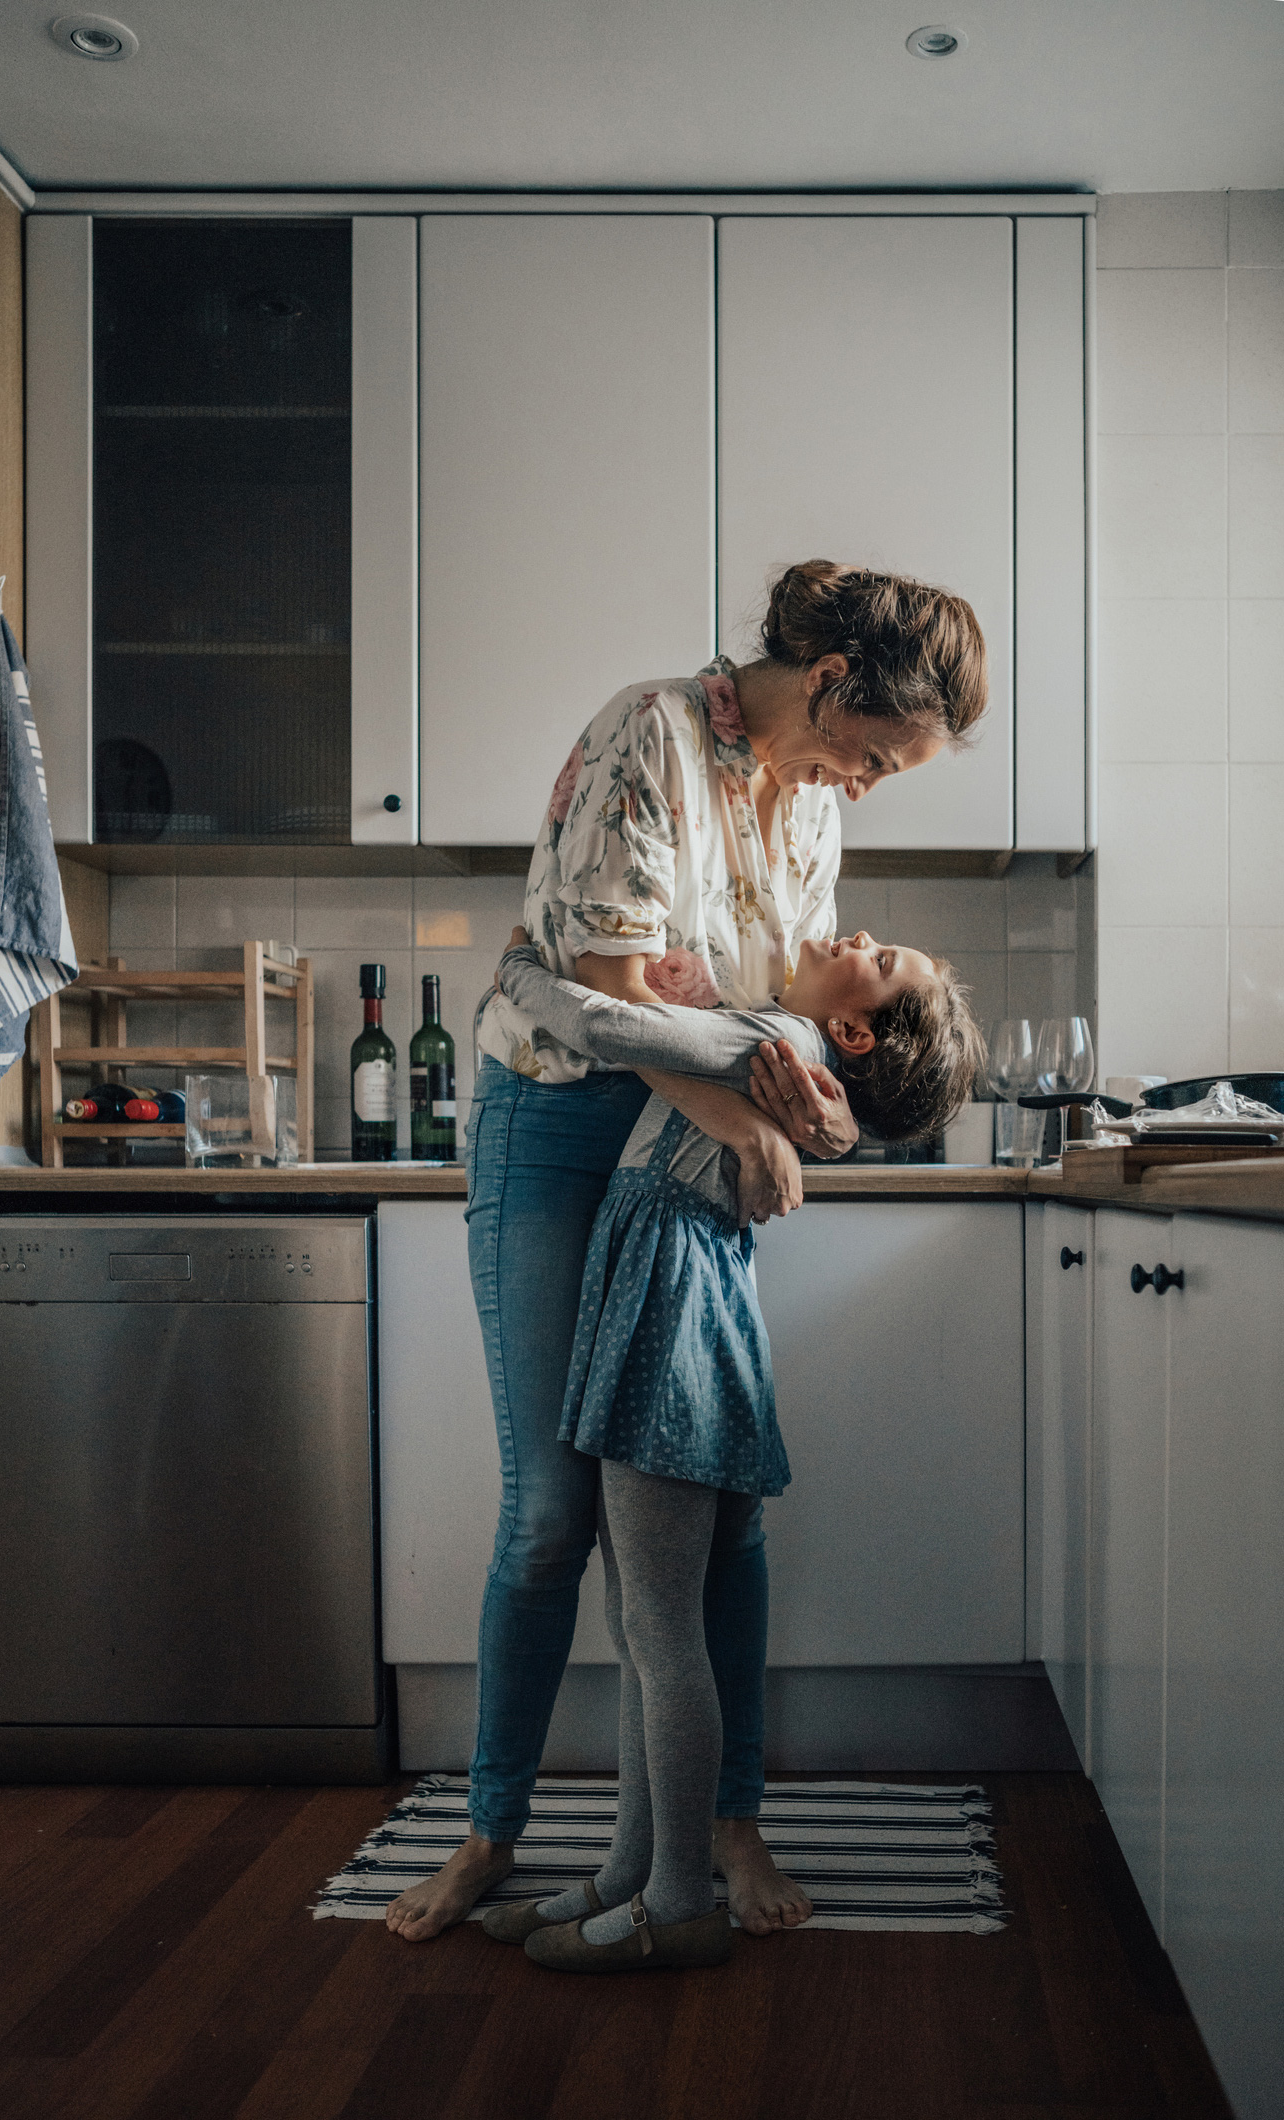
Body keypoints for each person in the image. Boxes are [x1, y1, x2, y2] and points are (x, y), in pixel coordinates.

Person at [385, 560, 988, 1943]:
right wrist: (753, 1128)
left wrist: (771, 1119)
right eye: (879, 752)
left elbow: (774, 1013)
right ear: (832, 678)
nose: (870, 783)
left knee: (713, 1513)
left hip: (681, 1152)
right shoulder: (645, 734)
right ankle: (491, 1834)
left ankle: (725, 1828)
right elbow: (607, 1001)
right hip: (557, 1122)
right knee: (548, 1518)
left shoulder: (810, 806)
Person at [475, 927, 982, 1968]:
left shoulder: (773, 1035)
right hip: (689, 1314)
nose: (864, 935)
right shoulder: (784, 1039)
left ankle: (675, 1898)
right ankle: (627, 1873)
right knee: (645, 1626)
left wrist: (523, 971)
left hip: (667, 1322)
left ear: (849, 1028)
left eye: (884, 962)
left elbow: (605, 1025)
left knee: (658, 1633)